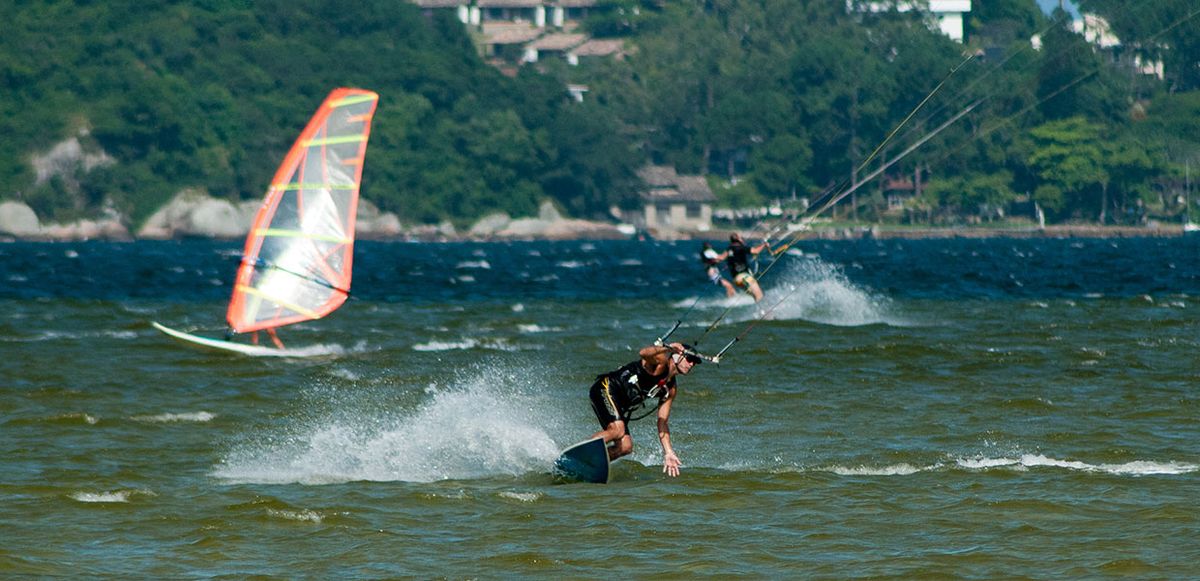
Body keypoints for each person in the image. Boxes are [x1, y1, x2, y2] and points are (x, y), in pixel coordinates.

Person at [589, 341, 702, 477]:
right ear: (678, 356)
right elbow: (643, 353)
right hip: (606, 387)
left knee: (625, 446)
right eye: (690, 360)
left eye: (695, 363)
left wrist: (669, 452)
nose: (692, 365)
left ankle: (591, 464)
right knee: (617, 430)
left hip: (619, 403)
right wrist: (667, 348)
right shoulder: (660, 363)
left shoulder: (670, 389)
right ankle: (584, 453)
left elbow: (663, 422)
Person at [725, 232, 769, 302]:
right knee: (759, 295)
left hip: (737, 280)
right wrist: (764, 245)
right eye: (741, 238)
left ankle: (761, 311)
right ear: (738, 240)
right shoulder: (741, 247)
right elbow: (755, 251)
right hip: (744, 277)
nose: (742, 239)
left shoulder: (729, 249)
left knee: (755, 296)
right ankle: (763, 312)